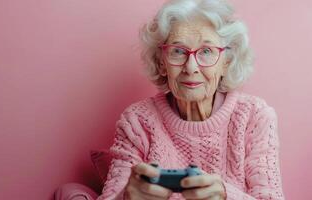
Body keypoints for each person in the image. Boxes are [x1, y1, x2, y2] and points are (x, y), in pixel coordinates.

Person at [97, 0, 285, 199]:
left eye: (206, 51)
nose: (191, 67)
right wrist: (126, 196)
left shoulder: (254, 117)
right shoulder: (136, 121)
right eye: (178, 51)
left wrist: (224, 194)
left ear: (226, 62)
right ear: (161, 63)